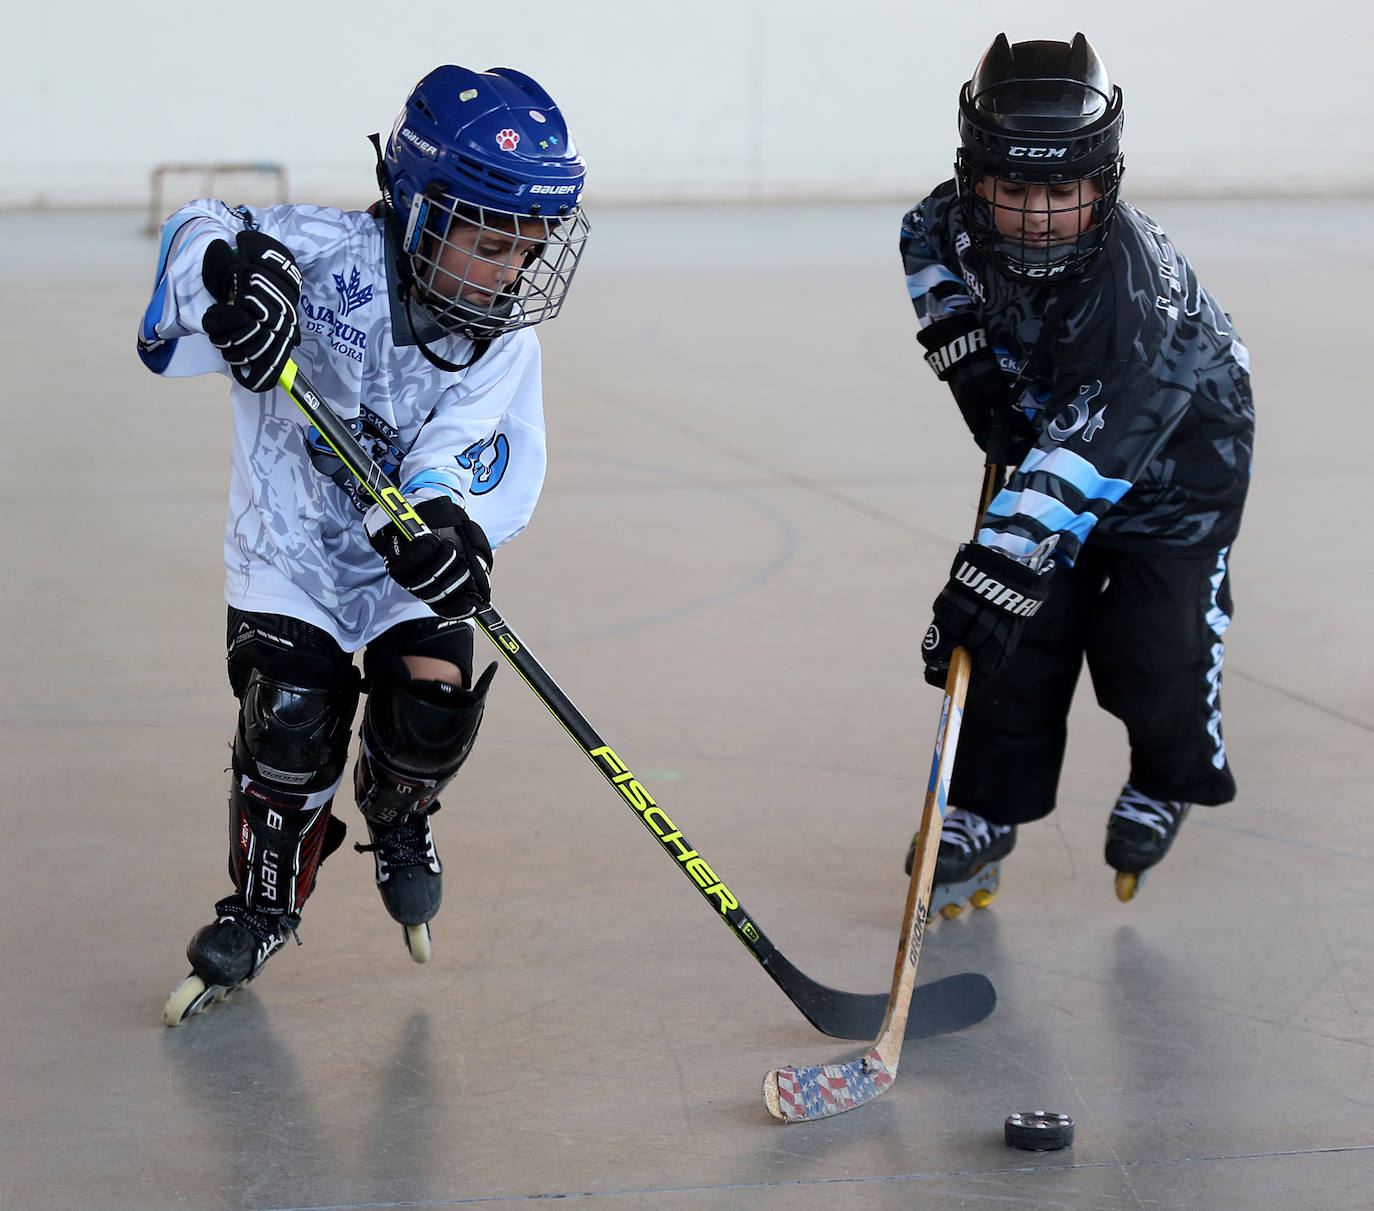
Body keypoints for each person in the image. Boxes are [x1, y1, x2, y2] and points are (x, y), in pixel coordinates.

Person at [139, 65, 591, 1023]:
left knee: (429, 699)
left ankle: (397, 811)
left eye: (529, 247)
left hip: (395, 562)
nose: (511, 271)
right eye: (489, 241)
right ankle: (264, 902)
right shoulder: (313, 251)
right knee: (293, 715)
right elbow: (199, 227)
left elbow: (461, 458)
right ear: (421, 210)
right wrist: (235, 282)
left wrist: (447, 526)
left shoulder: (503, 339)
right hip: (291, 542)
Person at [899, 33, 1252, 913]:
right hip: (1060, 435)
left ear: (1105, 181)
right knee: (1017, 641)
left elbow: (1099, 449)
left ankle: (1168, 775)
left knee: (1154, 649)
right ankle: (984, 807)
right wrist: (973, 371)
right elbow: (925, 254)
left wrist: (997, 563)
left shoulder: (1133, 283)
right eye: (1014, 189)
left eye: (1061, 190)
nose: (1038, 215)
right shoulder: (941, 222)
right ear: (974, 176)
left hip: (1177, 465)